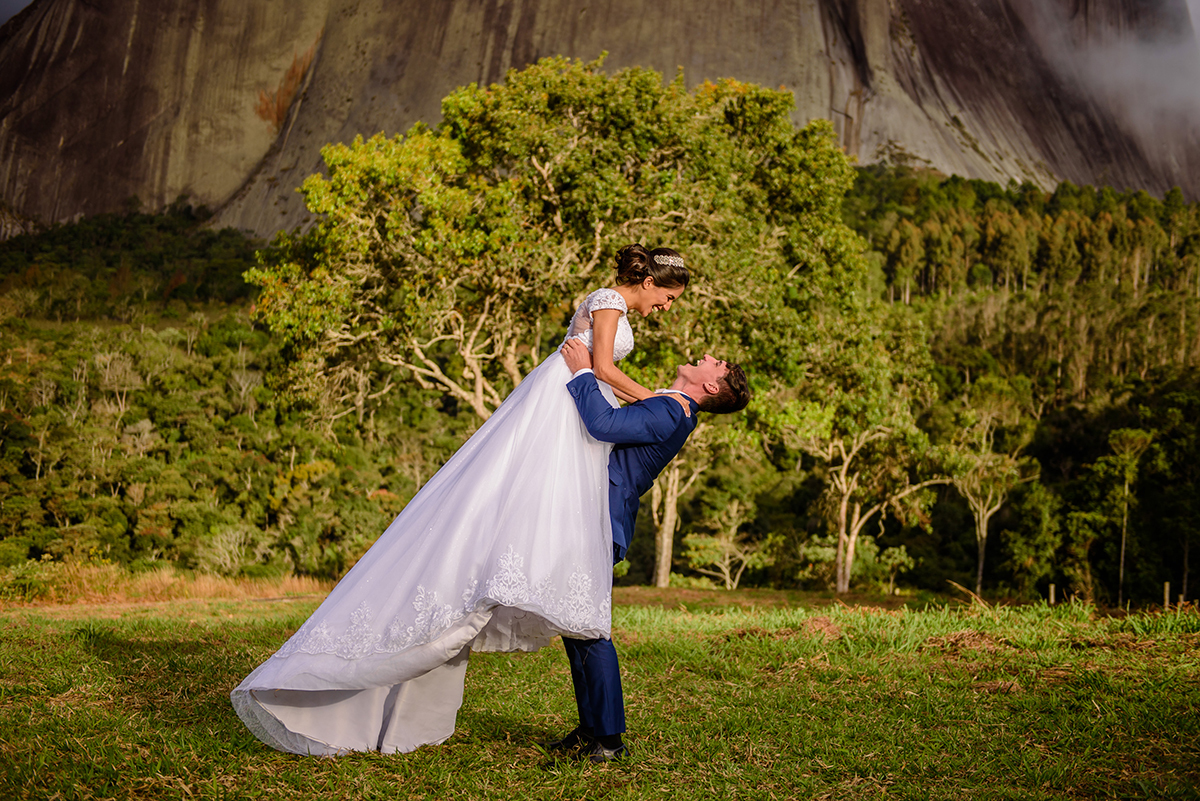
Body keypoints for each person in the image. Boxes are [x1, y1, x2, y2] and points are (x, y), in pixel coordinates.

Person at [231, 244, 688, 756]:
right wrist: (658, 399)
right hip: (560, 407)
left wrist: (644, 402)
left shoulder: (619, 307)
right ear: (649, 282)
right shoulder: (610, 301)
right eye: (668, 297)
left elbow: (600, 378)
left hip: (574, 408)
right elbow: (600, 368)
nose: (666, 307)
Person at [545, 339, 750, 762]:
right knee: (576, 627)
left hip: (601, 517)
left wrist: (583, 371)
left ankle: (609, 741)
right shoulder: (672, 406)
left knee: (591, 630)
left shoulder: (671, 410)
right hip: (591, 511)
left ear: (712, 386)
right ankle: (591, 728)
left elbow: (602, 424)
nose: (707, 356)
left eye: (716, 363)